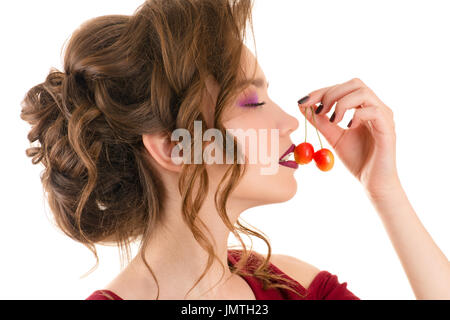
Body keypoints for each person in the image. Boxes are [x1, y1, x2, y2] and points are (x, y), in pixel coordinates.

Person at [20, 0, 449, 300]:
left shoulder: (294, 286)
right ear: (174, 147)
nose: (287, 121)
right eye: (252, 101)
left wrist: (385, 191)